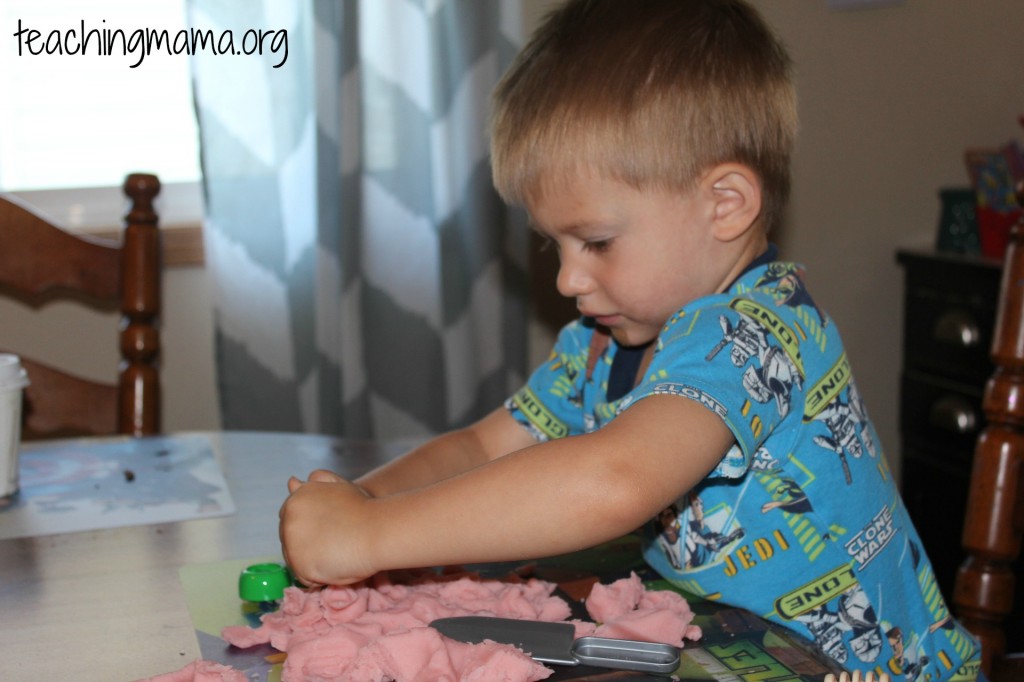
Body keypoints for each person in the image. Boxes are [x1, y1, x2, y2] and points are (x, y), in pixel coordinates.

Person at [278, 1, 982, 679]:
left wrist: (368, 539)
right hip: (728, 652)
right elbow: (484, 447)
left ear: (725, 204)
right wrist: (362, 504)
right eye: (556, 246)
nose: (568, 280)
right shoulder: (599, 341)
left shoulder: (757, 331)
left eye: (596, 241)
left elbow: (613, 482)